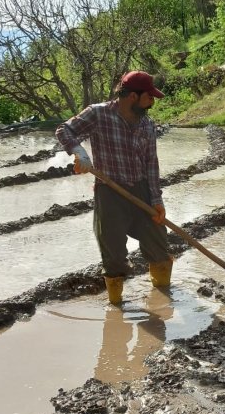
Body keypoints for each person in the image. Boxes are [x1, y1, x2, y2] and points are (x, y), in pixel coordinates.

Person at [55, 71, 172, 305]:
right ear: (132, 96)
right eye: (149, 96)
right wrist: (79, 152)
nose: (153, 101)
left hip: (141, 190)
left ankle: (163, 299)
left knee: (159, 245)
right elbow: (64, 130)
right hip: (110, 193)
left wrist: (156, 199)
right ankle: (117, 309)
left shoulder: (147, 124)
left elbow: (151, 164)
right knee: (114, 255)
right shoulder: (98, 114)